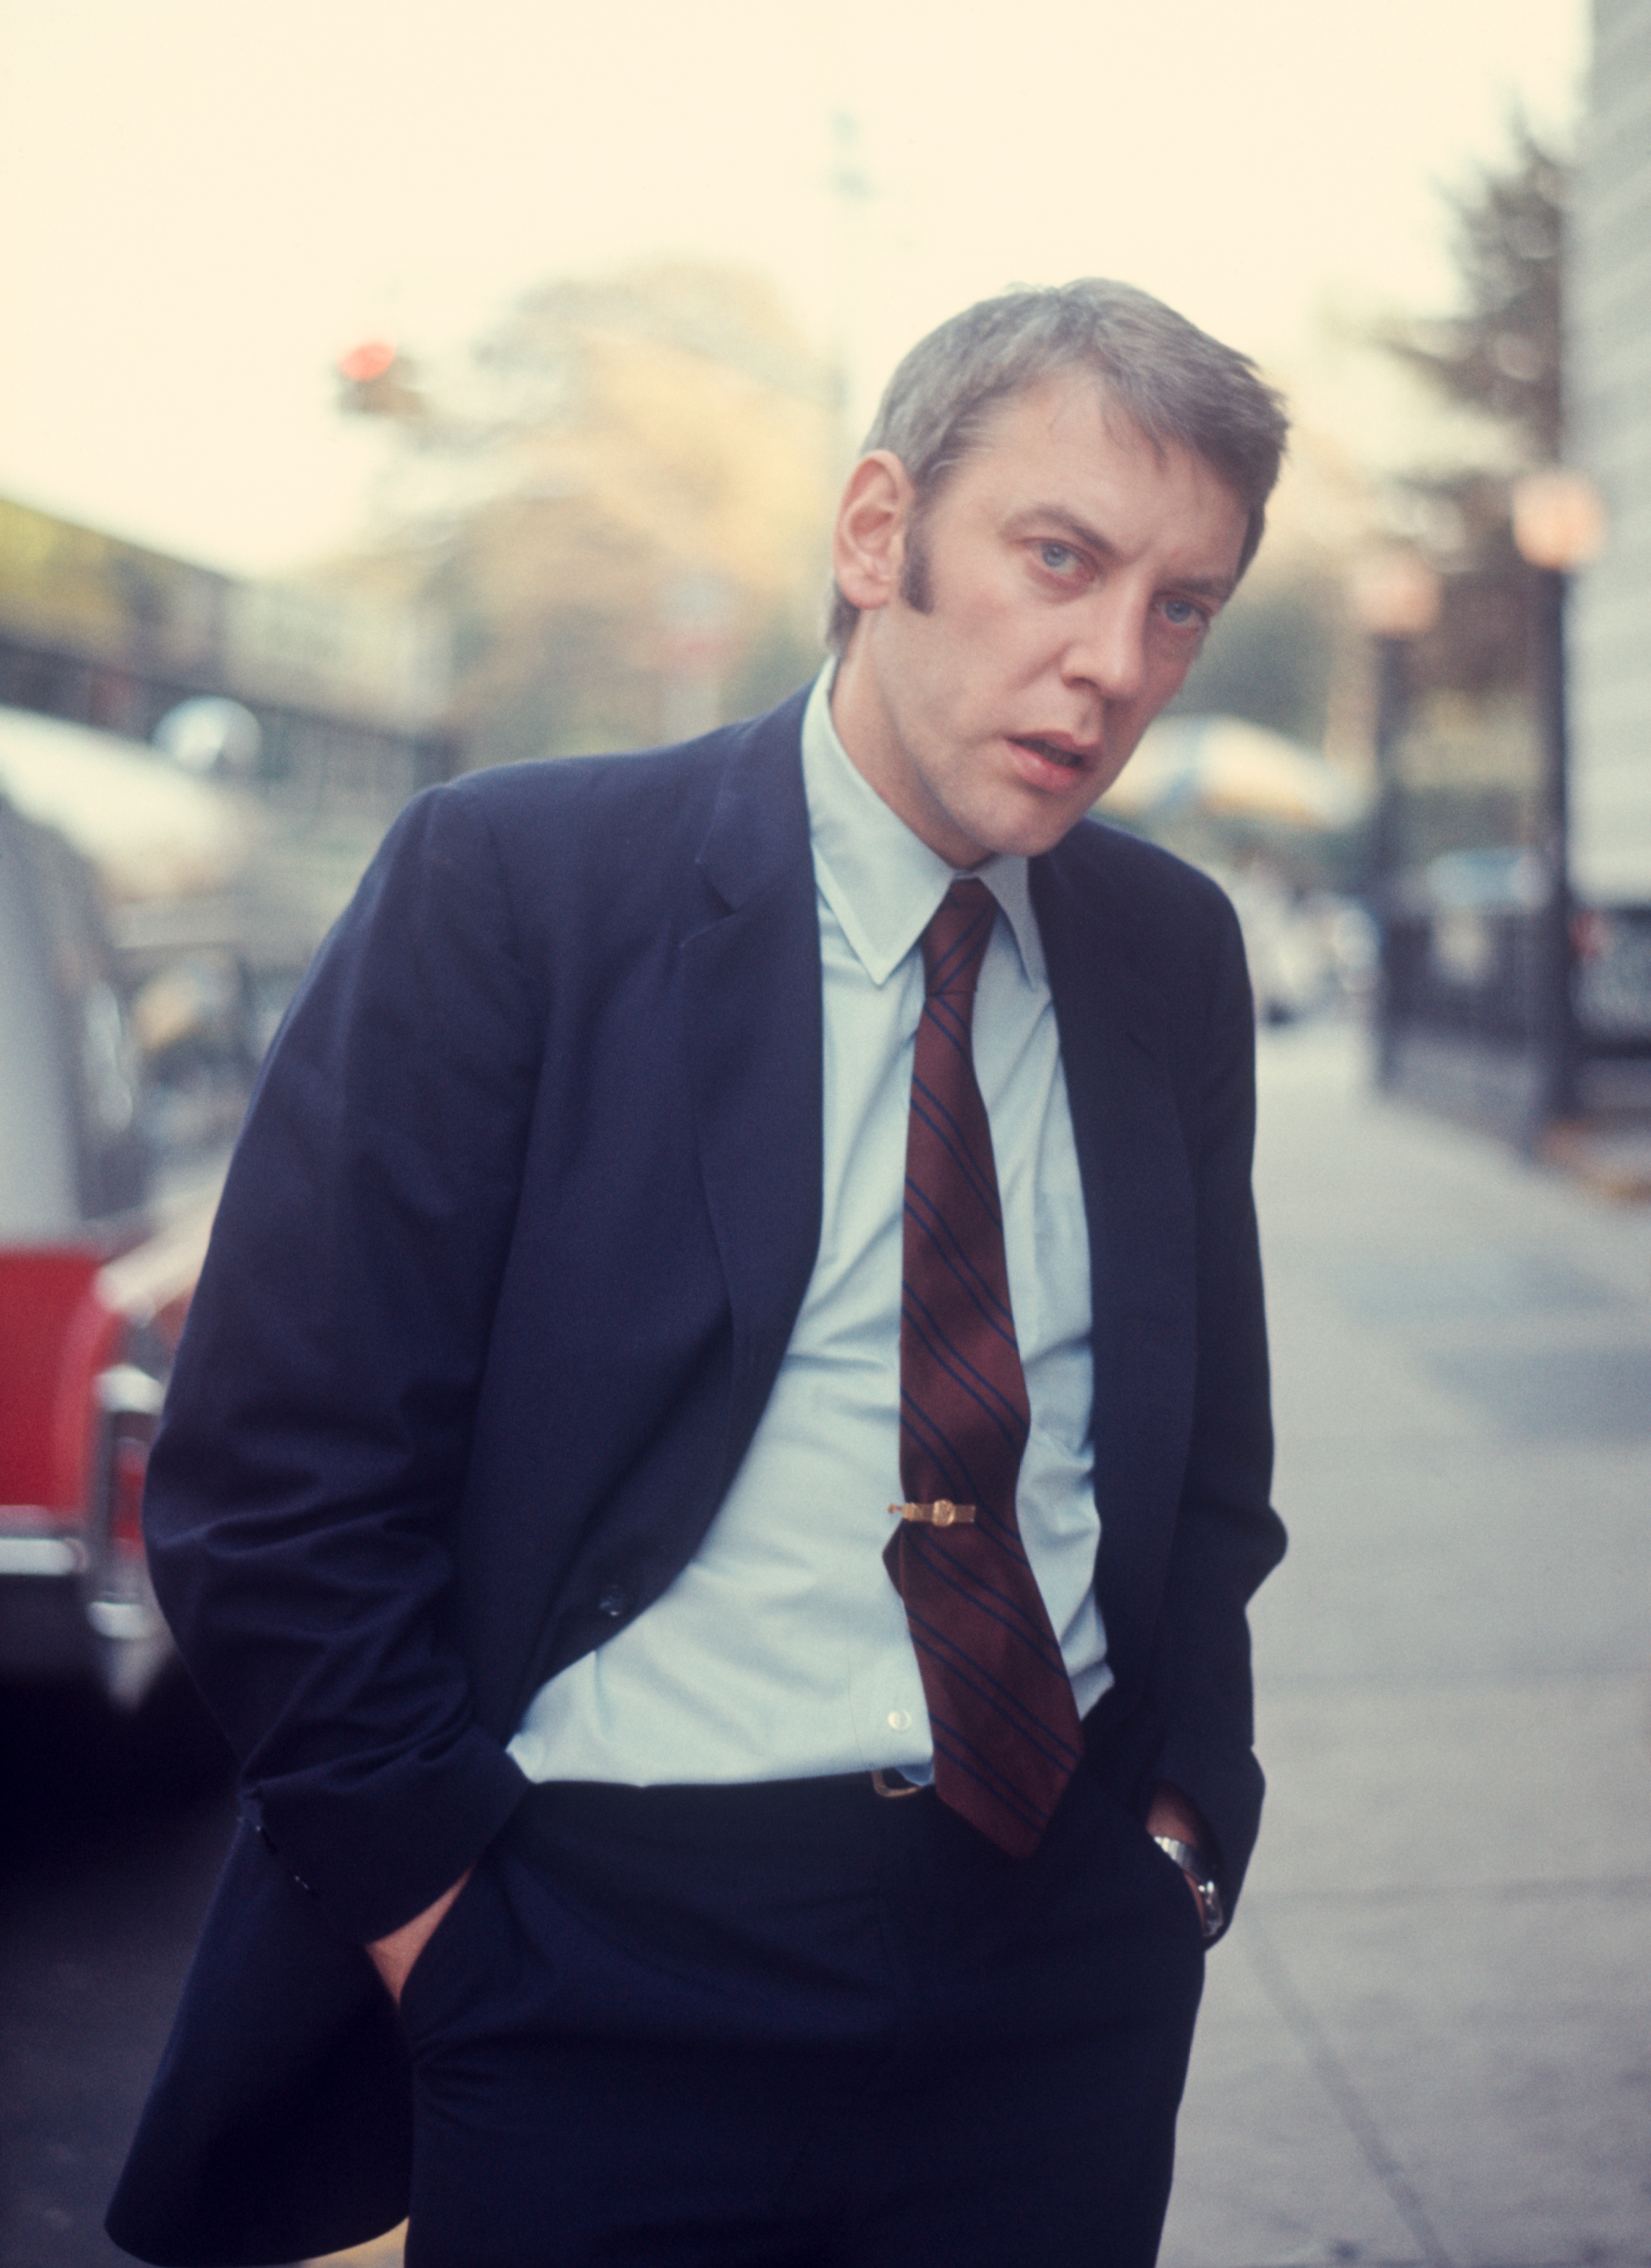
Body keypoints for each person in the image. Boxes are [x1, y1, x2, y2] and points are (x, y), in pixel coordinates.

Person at [109, 279, 1288, 2268]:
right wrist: (447, 1930)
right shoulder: (516, 887)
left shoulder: (1164, 950)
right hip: (595, 1960)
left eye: (1180, 606)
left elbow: (1201, 1474)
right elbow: (273, 1479)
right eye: (1059, 558)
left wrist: (1175, 1837)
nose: (1109, 663)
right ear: (872, 534)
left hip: (1052, 1971)